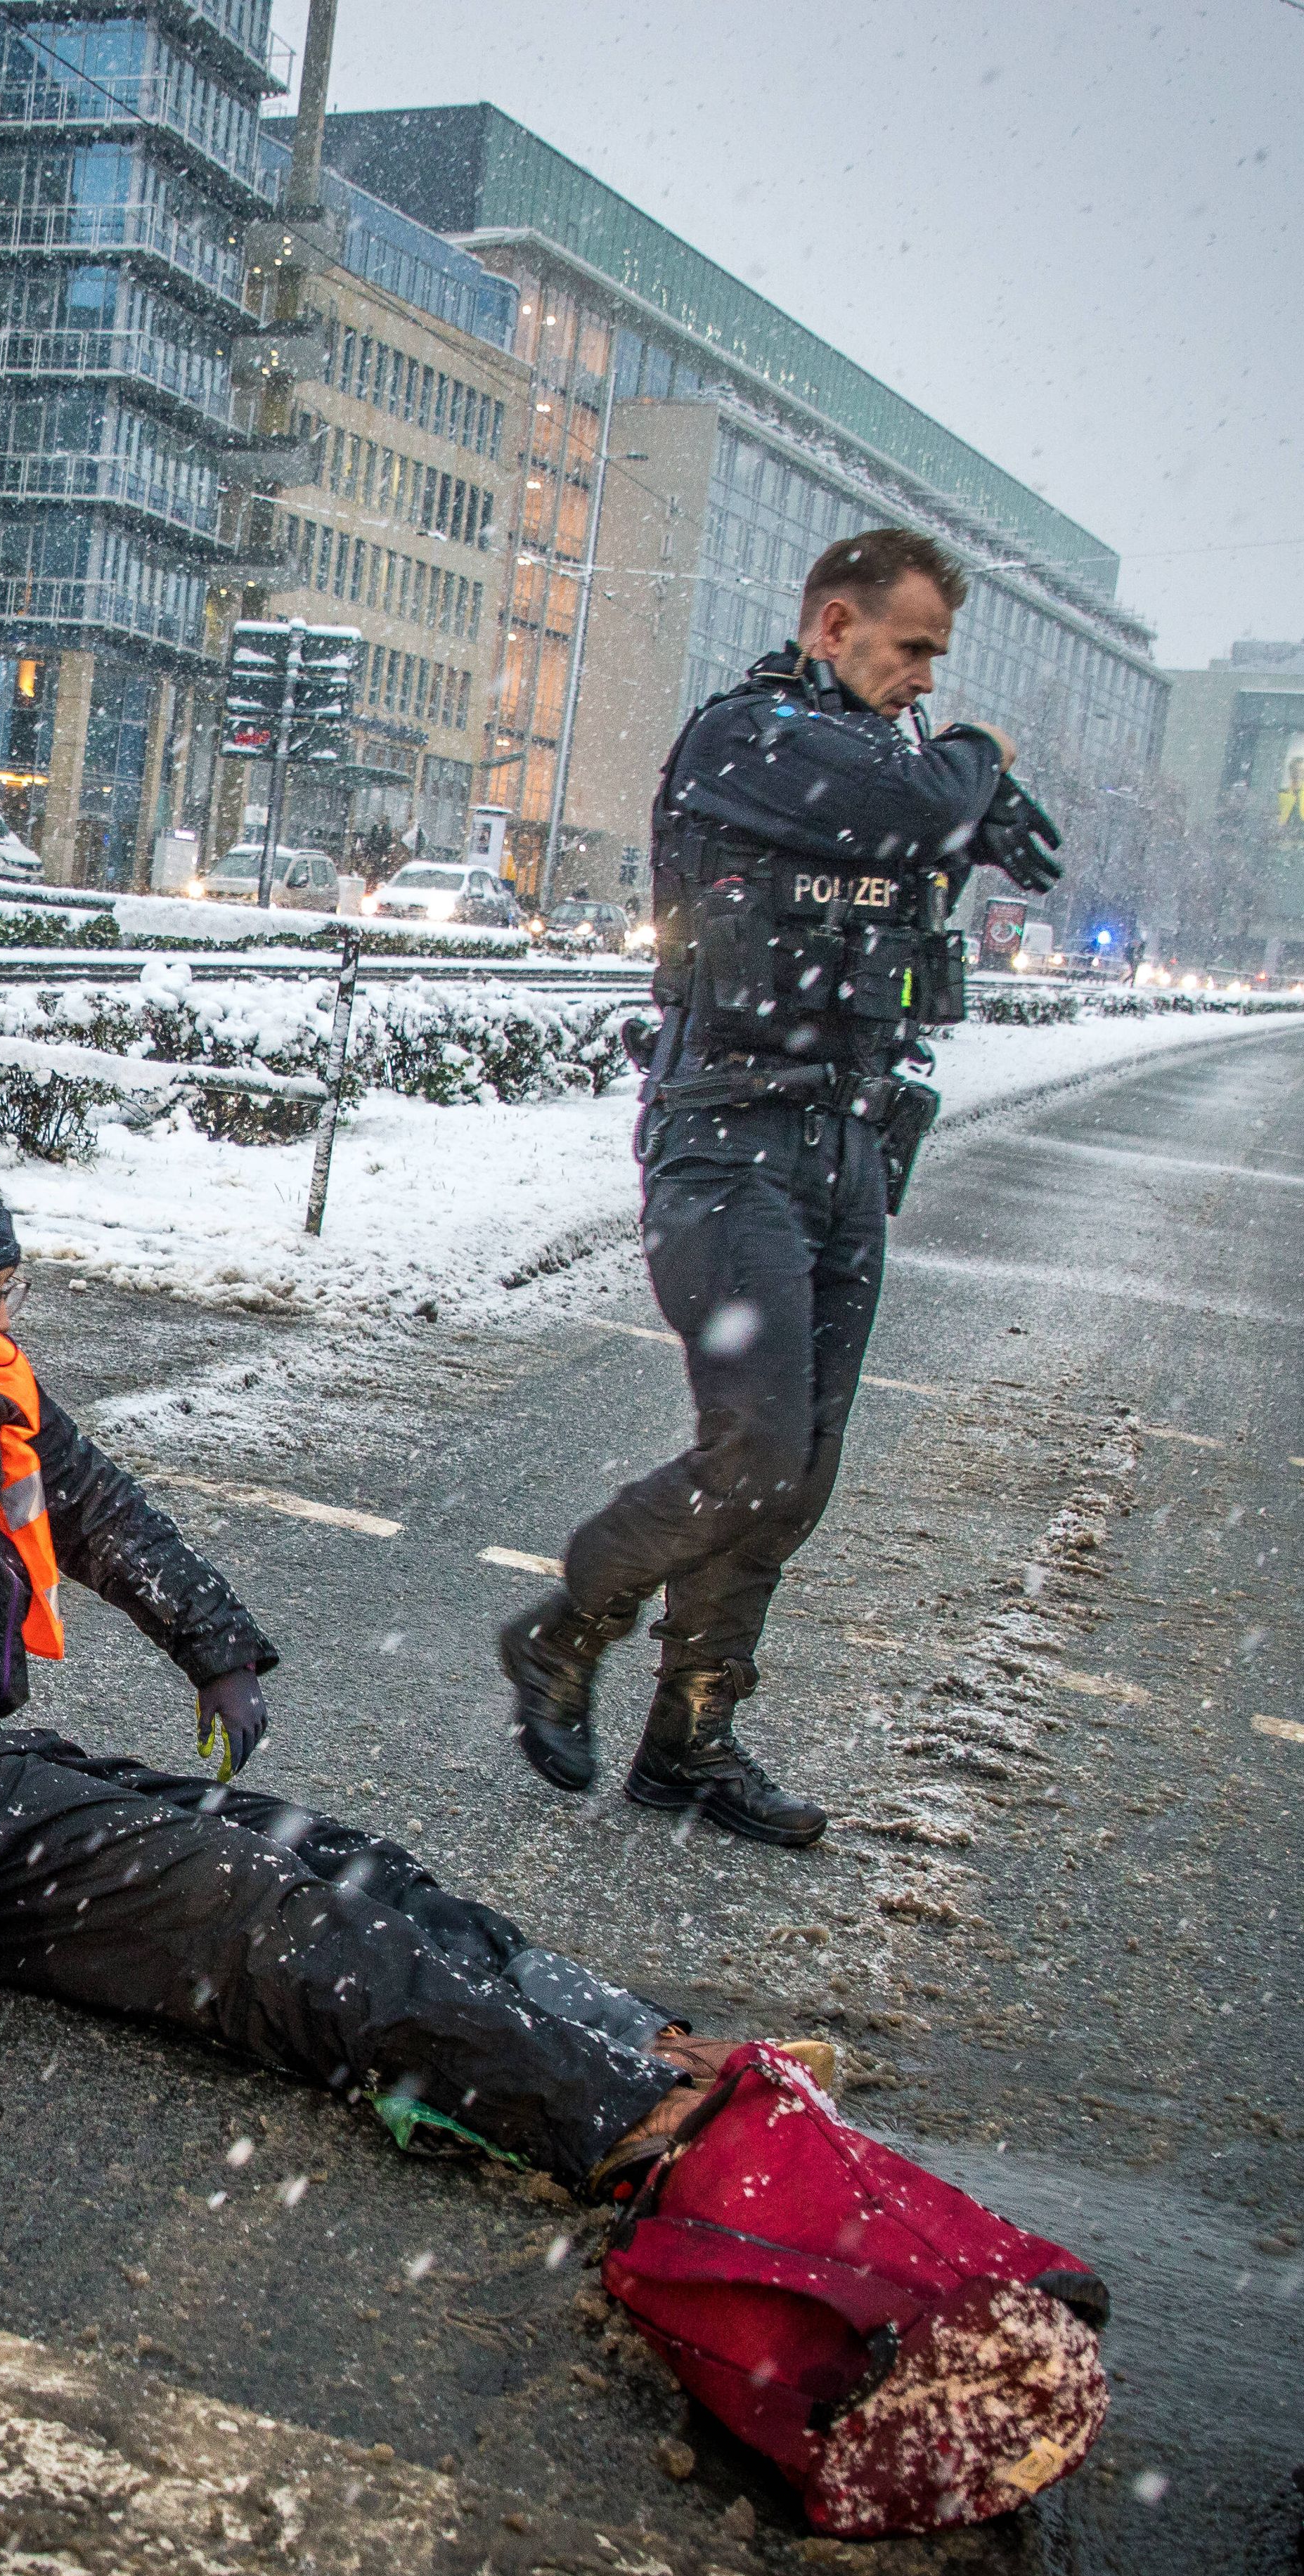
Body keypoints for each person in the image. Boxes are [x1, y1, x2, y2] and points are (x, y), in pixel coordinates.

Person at [0, 1140, 823, 2196]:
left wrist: (214, 1644)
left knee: (332, 1857)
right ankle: (608, 2115)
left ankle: (627, 2040)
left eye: (10, 1287)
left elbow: (95, 1502)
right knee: (244, 1902)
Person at [498, 526, 1062, 1847]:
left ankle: (692, 1742)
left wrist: (970, 814)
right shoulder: (746, 740)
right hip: (727, 1141)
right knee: (751, 1452)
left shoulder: (881, 767)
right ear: (833, 628)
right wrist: (981, 773)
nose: (925, 676)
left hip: (849, 1148)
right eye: (910, 647)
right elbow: (926, 805)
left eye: (937, 657)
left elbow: (930, 824)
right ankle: (568, 1623)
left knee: (798, 1474)